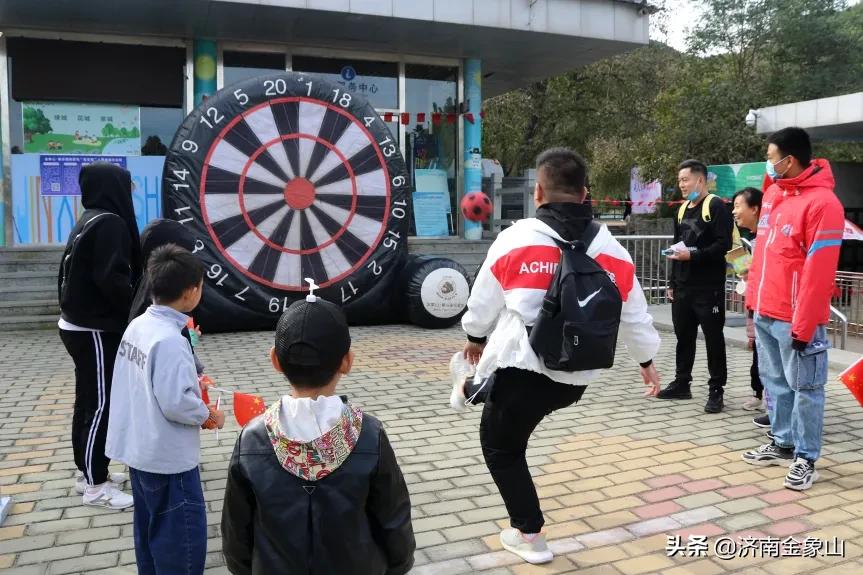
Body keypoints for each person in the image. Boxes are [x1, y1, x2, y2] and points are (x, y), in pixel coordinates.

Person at [453, 148, 662, 565]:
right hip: (575, 377)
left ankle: (529, 535)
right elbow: (636, 314)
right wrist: (646, 362)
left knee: (501, 447)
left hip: (524, 369)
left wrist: (474, 337)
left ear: (538, 192)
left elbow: (482, 304)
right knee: (516, 415)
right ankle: (478, 388)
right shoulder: (614, 251)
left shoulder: (515, 237)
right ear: (585, 193)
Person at [221, 297, 415, 575]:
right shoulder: (370, 435)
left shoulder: (252, 439)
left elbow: (236, 533)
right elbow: (394, 521)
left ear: (275, 360)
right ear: (347, 361)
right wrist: (398, 566)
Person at [106, 244, 225, 574]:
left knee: (149, 533)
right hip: (169, 462)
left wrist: (193, 376)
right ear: (190, 292)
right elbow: (177, 403)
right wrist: (209, 416)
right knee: (180, 543)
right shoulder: (170, 340)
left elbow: (153, 380)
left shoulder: (141, 324)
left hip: (140, 452)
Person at [742, 127, 844, 491]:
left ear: (790, 159)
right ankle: (783, 441)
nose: (768, 165)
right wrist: (753, 304)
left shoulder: (824, 204)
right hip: (767, 311)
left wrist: (804, 324)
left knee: (807, 388)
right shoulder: (773, 196)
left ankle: (806, 456)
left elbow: (819, 271)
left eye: (771, 158)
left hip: (796, 318)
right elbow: (763, 256)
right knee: (776, 383)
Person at [58, 162, 143, 508]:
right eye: (127, 186)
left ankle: (89, 471)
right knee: (99, 404)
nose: (131, 193)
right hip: (93, 327)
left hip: (78, 324)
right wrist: (136, 312)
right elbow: (112, 280)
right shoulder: (109, 223)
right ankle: (95, 486)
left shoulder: (91, 217)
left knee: (88, 401)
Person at [659, 159, 733, 413]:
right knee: (684, 337)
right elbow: (675, 247)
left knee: (713, 340)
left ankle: (716, 390)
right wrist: (671, 283)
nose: (681, 184)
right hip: (682, 288)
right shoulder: (681, 210)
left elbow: (723, 246)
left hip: (707, 288)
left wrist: (694, 256)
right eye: (679, 180)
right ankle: (682, 383)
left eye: (685, 179)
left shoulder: (716, 206)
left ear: (700, 180)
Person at [731, 187, 767, 414]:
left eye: (738, 206)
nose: (734, 212)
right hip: (753, 302)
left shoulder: (768, 236)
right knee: (757, 355)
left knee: (768, 358)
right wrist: (744, 270)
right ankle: (758, 394)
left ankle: (770, 399)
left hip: (769, 305)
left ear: (755, 209)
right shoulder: (746, 239)